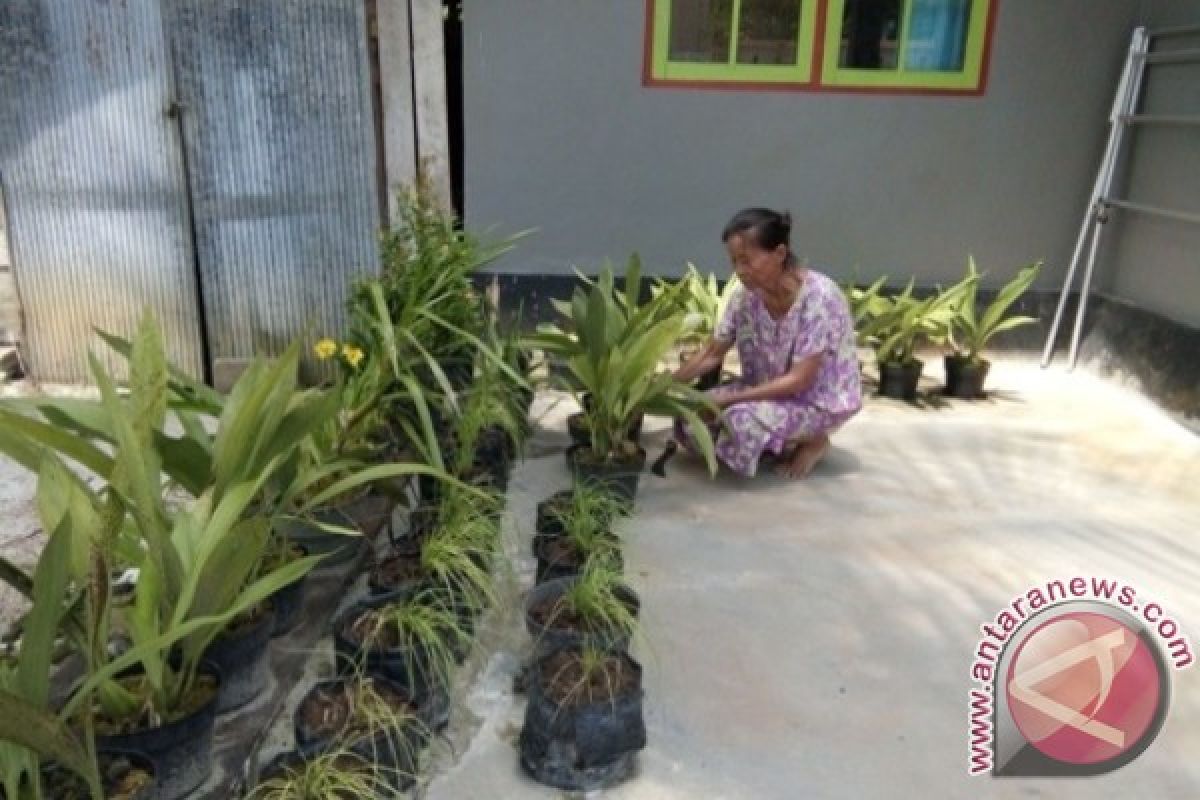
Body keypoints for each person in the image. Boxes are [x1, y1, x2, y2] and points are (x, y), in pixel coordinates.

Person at [673, 208, 862, 478]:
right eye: (734, 262)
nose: (739, 271)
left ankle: (814, 439)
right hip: (764, 391)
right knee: (689, 418)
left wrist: (729, 400)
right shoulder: (744, 298)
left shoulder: (820, 299)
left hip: (814, 401)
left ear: (780, 254)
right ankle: (781, 439)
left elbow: (800, 380)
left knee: (738, 422)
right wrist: (662, 387)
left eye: (747, 261)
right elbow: (712, 354)